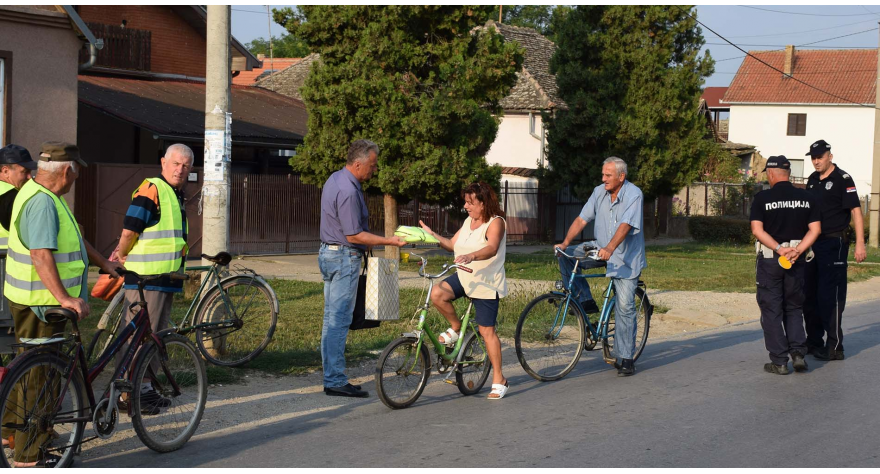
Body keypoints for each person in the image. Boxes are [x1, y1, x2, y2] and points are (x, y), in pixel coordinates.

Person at [2, 141, 119, 467]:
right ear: (68, 170)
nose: (77, 175)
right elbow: (41, 254)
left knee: (31, 371)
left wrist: (104, 264)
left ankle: (11, 430)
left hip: (30, 299)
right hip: (41, 304)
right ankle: (28, 454)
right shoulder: (42, 203)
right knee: (42, 378)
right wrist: (64, 298)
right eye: (77, 169)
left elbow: (73, 240)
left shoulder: (41, 194)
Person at [319, 139, 405, 398]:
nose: (374, 170)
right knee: (338, 320)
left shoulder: (336, 178)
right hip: (344, 257)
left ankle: (332, 375)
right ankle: (334, 379)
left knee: (331, 319)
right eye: (372, 165)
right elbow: (355, 235)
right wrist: (389, 240)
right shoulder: (347, 190)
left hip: (330, 254)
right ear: (358, 164)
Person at [114, 143, 192, 412]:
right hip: (146, 279)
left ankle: (143, 388)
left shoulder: (174, 193)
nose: (180, 169)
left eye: (185, 165)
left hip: (162, 279)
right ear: (163, 163)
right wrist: (121, 255)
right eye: (175, 163)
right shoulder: (153, 189)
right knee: (140, 337)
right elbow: (129, 230)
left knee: (153, 336)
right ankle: (130, 394)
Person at [556, 157, 646, 376]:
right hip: (600, 247)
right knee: (565, 256)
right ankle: (585, 301)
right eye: (603, 174)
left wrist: (611, 248)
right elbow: (582, 219)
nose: (603, 178)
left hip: (625, 257)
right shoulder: (599, 192)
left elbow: (625, 225)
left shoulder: (634, 194)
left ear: (621, 177)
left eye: (608, 175)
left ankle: (626, 357)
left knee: (625, 306)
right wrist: (565, 243)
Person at [419, 182, 510, 400]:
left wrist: (472, 256)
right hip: (464, 276)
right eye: (465, 202)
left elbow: (492, 248)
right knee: (438, 294)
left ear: (483, 202)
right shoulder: (469, 221)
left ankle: (499, 378)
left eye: (470, 202)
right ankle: (456, 327)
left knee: (487, 331)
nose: (466, 206)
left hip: (486, 283)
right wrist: (432, 235)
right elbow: (451, 244)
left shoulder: (495, 223)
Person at [749, 156, 821, 375]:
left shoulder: (763, 198)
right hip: (797, 260)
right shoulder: (807, 198)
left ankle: (779, 361)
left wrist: (780, 249)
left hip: (772, 259)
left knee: (771, 310)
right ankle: (798, 353)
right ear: (787, 173)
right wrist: (798, 251)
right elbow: (815, 230)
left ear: (771, 174)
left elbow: (757, 230)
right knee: (794, 307)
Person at [803, 139, 866, 361]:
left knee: (831, 295)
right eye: (813, 157)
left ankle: (835, 346)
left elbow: (856, 211)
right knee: (809, 294)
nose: (816, 161)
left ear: (830, 155)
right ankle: (813, 342)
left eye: (820, 156)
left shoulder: (842, 179)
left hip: (834, 243)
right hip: (812, 244)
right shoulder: (811, 180)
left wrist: (860, 243)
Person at [0, 144, 37, 250]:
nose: (29, 177)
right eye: (25, 172)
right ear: (5, 171)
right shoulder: (13, 198)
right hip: (6, 261)